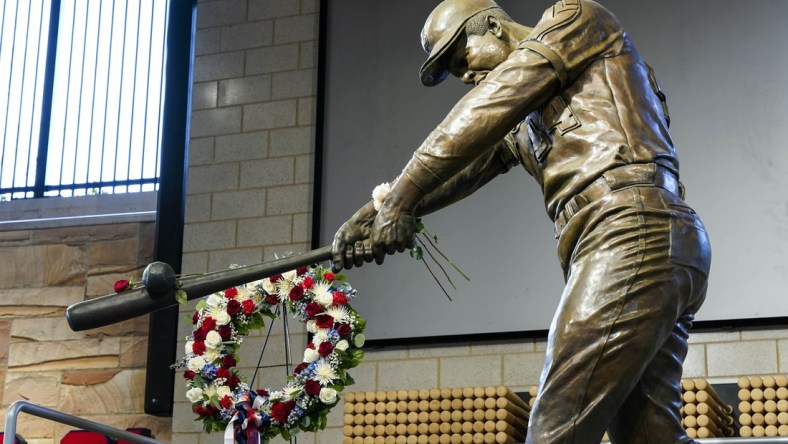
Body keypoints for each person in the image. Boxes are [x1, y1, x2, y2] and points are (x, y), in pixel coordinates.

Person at [332, 0, 711, 442]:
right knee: (650, 436)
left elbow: (492, 103)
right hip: (640, 242)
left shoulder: (575, 19)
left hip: (632, 231)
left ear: (493, 24)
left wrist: (402, 198)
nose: (468, 78)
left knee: (555, 427)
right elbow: (469, 163)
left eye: (464, 58)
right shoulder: (526, 114)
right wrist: (380, 212)